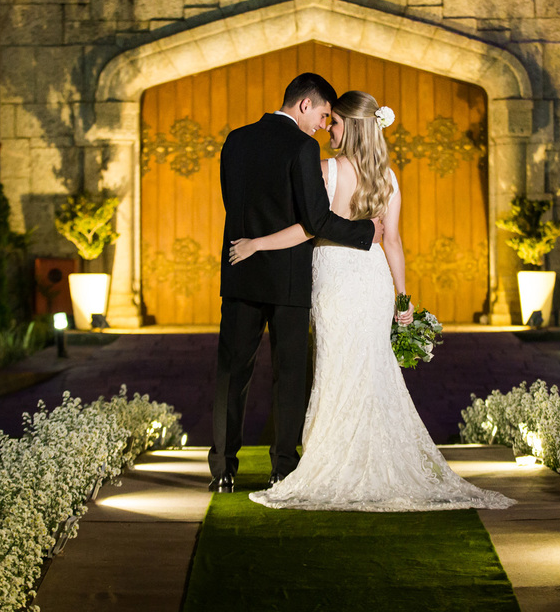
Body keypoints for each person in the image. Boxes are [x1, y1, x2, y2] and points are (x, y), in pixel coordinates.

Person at [230, 91, 514, 512]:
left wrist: (257, 244)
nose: (330, 129)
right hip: (374, 278)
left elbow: (308, 229)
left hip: (335, 279)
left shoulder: (329, 170)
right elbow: (394, 241)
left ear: (354, 126)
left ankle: (338, 459)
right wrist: (402, 297)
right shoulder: (389, 177)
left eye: (337, 123)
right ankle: (375, 459)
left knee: (337, 366)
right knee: (371, 369)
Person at [209, 73, 384, 493]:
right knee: (288, 375)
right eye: (323, 114)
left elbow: (231, 201)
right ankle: (282, 467)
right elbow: (316, 219)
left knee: (232, 373)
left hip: (239, 268)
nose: (324, 125)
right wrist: (365, 233)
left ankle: (223, 471)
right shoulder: (302, 147)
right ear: (304, 105)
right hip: (288, 278)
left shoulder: (235, 139)